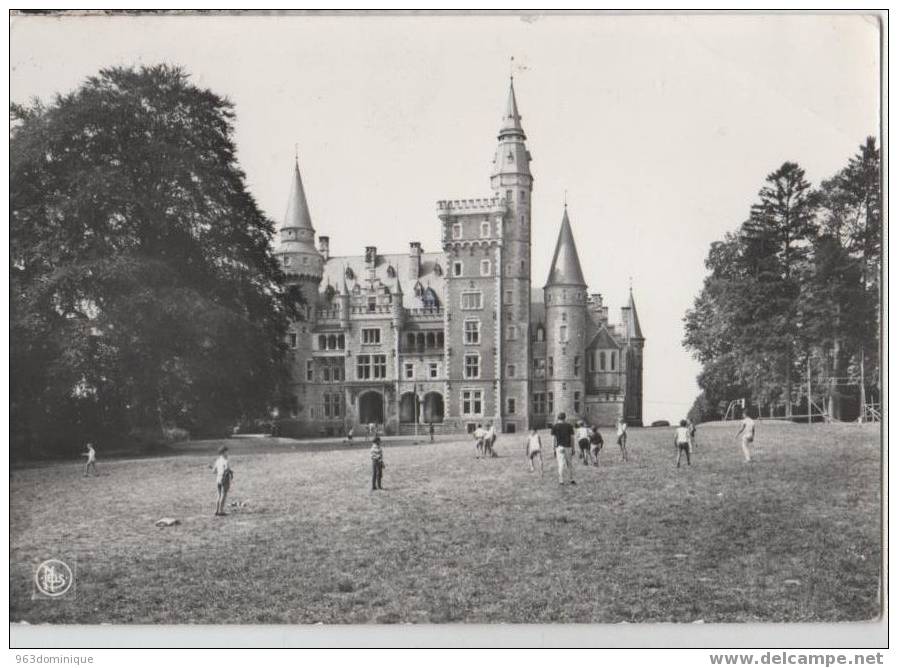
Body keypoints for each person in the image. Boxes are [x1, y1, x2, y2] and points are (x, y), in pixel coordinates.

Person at [550, 412, 576, 485]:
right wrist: (573, 448)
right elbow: (572, 438)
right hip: (568, 447)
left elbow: (554, 439)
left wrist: (553, 448)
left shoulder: (555, 426)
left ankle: (561, 480)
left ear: (558, 418)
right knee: (569, 464)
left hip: (559, 447)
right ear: (565, 418)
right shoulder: (569, 426)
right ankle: (571, 479)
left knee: (561, 464)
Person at [211, 446, 233, 516]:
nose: (228, 453)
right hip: (224, 479)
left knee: (219, 494)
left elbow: (214, 471)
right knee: (224, 495)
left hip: (218, 479)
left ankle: (217, 510)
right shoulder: (226, 461)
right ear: (223, 452)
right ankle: (221, 511)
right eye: (227, 452)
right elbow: (227, 469)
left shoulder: (217, 460)